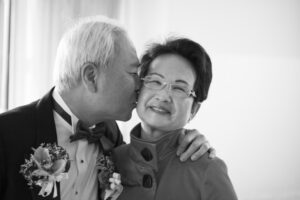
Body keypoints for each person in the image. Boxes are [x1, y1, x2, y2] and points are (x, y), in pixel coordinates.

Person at [0, 16, 214, 200]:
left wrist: (188, 140)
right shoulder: (7, 134)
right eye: (133, 74)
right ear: (91, 77)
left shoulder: (111, 137)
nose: (141, 85)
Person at [112, 37, 238, 200]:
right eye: (155, 81)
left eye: (179, 88)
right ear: (139, 88)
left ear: (194, 109)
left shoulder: (208, 169)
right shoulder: (111, 159)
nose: (163, 96)